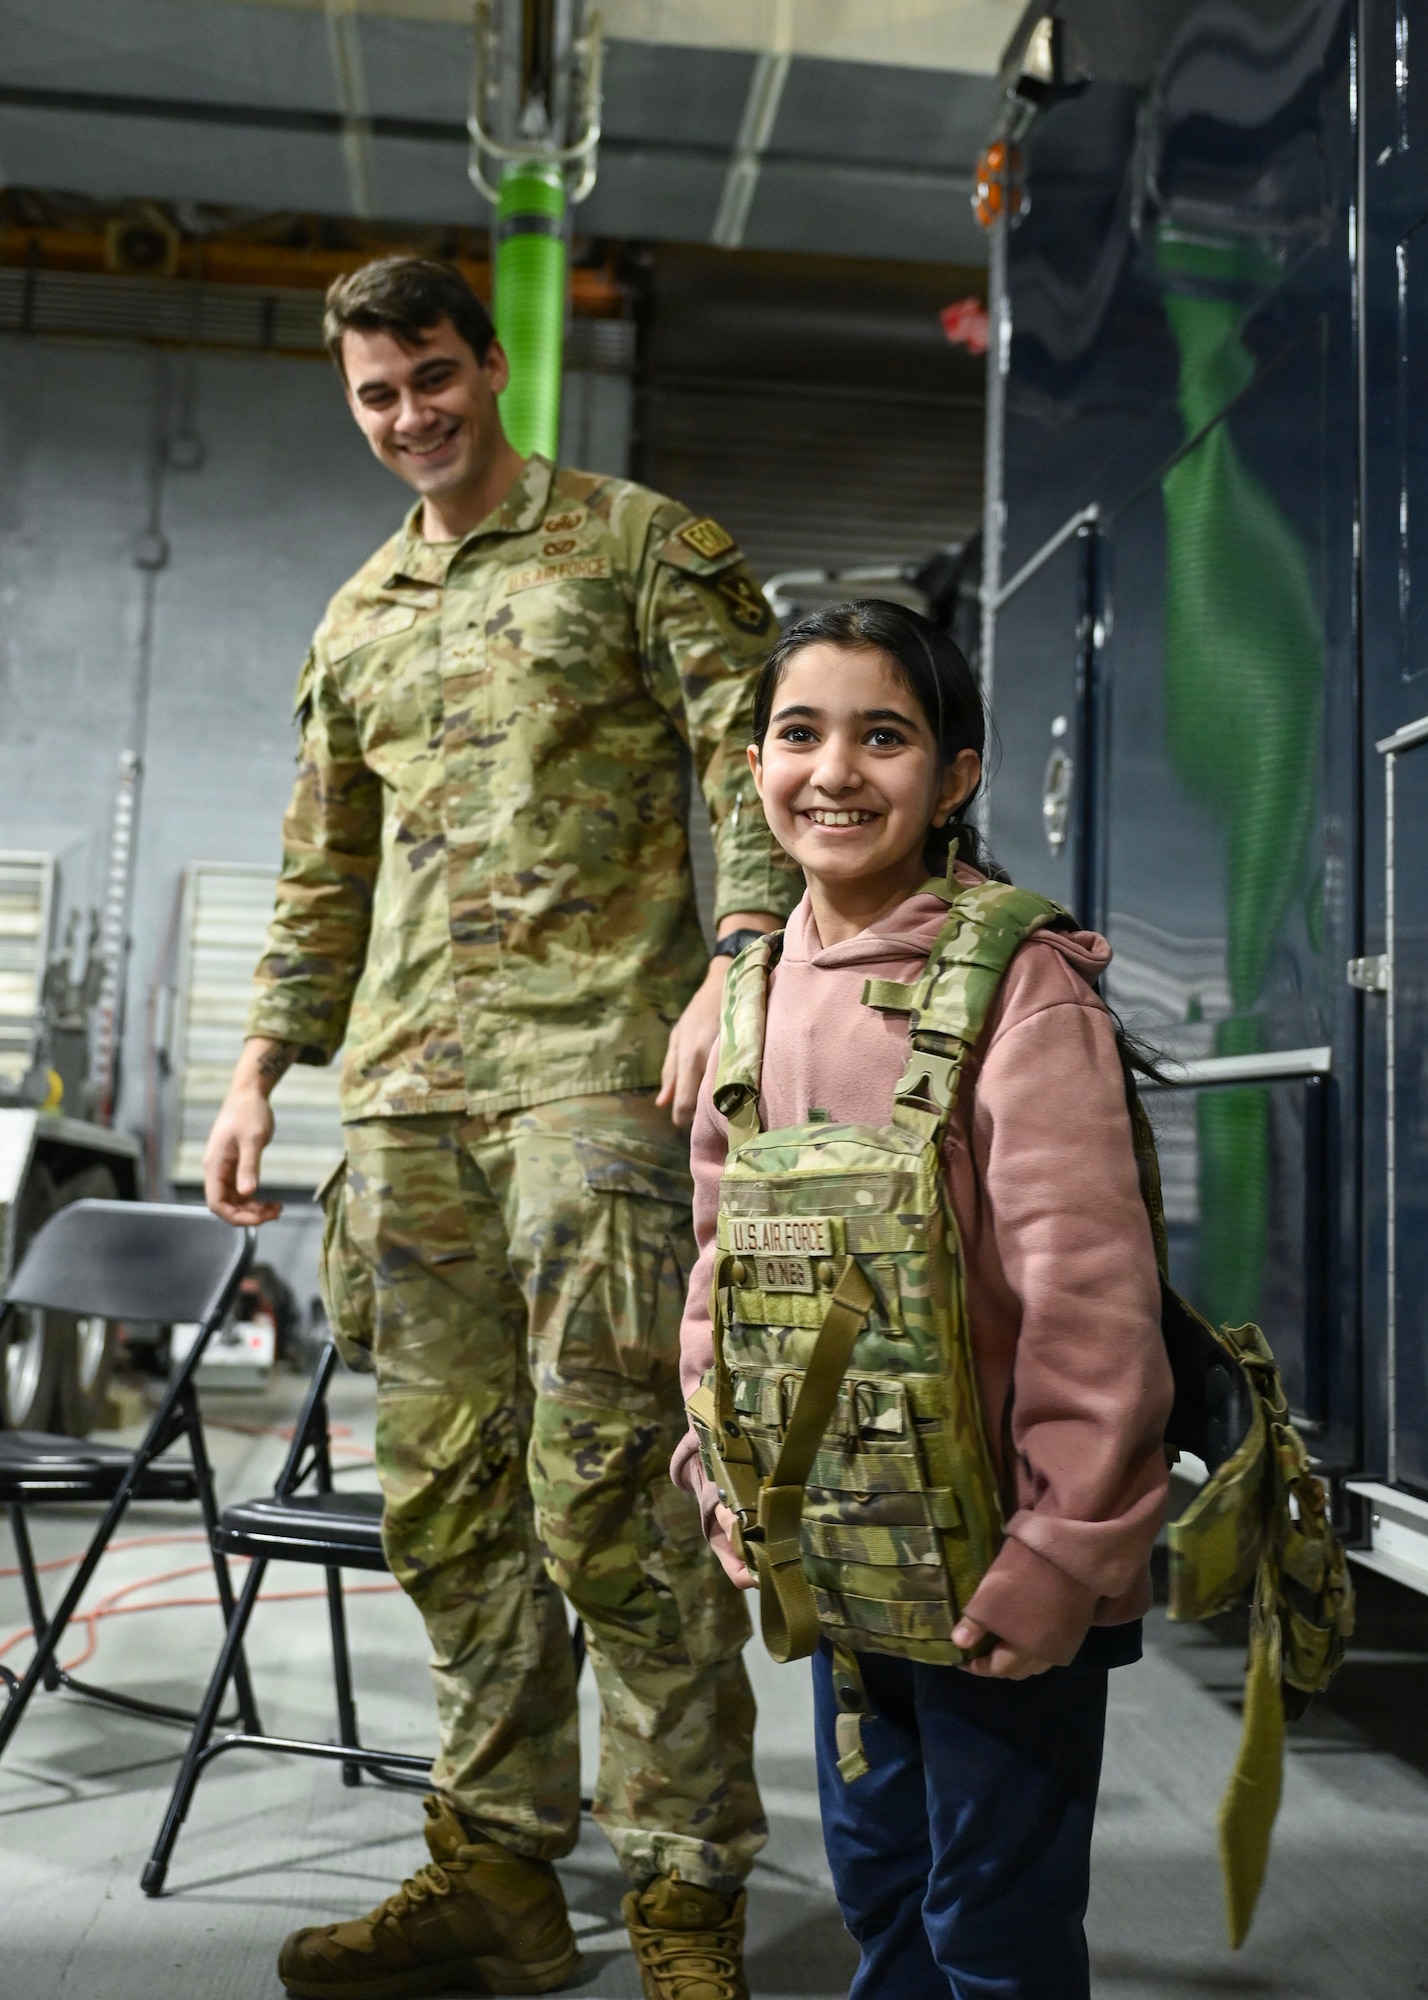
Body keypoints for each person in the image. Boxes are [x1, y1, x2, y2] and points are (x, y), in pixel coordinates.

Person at [203, 254, 801, 2000]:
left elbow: (749, 752)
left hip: (600, 1075)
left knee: (612, 1497)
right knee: (449, 1510)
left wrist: (748, 953)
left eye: (433, 379)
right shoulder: (356, 614)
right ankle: (497, 1872)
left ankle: (687, 1894)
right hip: (404, 1103)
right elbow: (325, 865)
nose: (409, 419)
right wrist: (260, 1065)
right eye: (377, 396)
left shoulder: (632, 544)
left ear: (491, 362)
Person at [673, 600, 1175, 1998]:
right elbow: (720, 1264)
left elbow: (1089, 1296)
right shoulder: (752, 992)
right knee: (883, 1889)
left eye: (882, 735)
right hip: (836, 1552)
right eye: (798, 733)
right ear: (755, 763)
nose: (834, 771)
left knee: (994, 1931)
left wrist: (1064, 1553)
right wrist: (722, 1475)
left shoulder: (1018, 981)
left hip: (1005, 1560)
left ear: (953, 776)